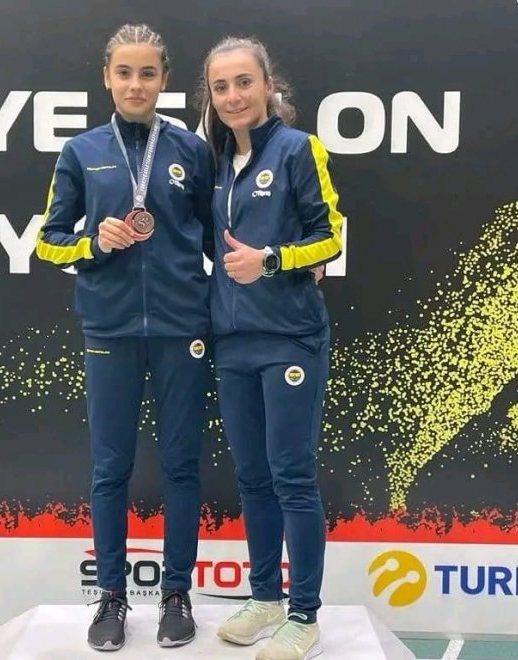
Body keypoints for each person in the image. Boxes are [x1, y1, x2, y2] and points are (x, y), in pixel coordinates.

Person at [35, 24, 214, 652]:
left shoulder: (191, 150)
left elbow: (219, 236)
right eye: (124, 73)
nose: (136, 85)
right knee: (110, 467)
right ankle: (111, 595)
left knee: (181, 465)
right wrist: (93, 242)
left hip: (181, 328)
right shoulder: (81, 151)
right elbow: (49, 240)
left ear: (165, 80)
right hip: (109, 327)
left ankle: (176, 593)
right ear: (107, 78)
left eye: (147, 73)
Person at [198, 36, 343, 660]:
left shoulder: (298, 149)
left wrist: (273, 260)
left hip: (290, 338)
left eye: (243, 82)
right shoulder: (213, 162)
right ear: (211, 96)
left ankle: (304, 615)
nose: (233, 96)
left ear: (267, 86)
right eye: (221, 86)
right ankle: (265, 598)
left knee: (292, 476)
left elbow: (330, 237)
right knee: (253, 478)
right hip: (232, 342)